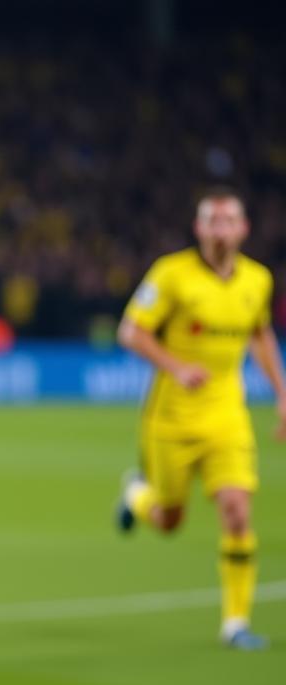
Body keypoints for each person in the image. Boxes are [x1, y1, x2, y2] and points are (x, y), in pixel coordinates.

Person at [115, 186, 286, 650]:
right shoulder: (172, 274)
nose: (221, 229)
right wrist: (176, 366)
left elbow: (262, 336)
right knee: (169, 520)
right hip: (170, 419)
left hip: (228, 416)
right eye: (213, 220)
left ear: (244, 229)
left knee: (236, 510)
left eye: (230, 220)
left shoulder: (258, 280)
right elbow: (130, 331)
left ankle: (236, 623)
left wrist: (282, 394)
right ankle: (137, 494)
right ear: (199, 228)